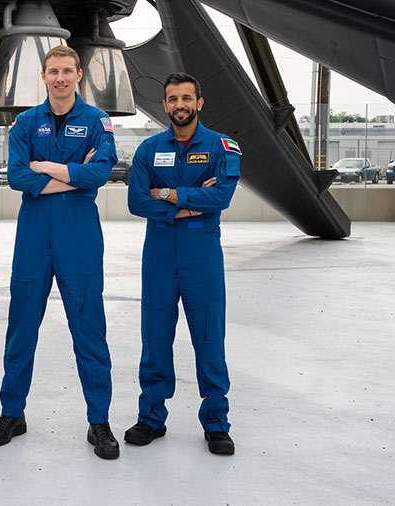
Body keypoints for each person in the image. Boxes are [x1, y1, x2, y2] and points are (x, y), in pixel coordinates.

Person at [0, 45, 120, 460]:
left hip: (78, 232)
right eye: (53, 71)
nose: (60, 78)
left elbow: (101, 173)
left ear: (79, 74)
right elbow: (18, 178)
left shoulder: (97, 121)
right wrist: (75, 176)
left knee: (89, 328)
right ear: (43, 76)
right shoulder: (25, 122)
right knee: (21, 325)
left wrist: (50, 169)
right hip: (34, 234)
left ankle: (99, 421)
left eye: (67, 71)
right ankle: (12, 413)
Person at [125, 72, 241, 455]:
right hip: (158, 252)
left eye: (187, 98)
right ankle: (151, 418)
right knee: (155, 336)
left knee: (209, 336)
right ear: (165, 105)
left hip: (202, 254)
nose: (180, 105)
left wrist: (169, 193)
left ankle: (216, 423)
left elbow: (222, 195)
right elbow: (137, 201)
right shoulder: (148, 150)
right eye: (173, 99)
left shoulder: (223, 147)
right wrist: (188, 205)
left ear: (199, 103)